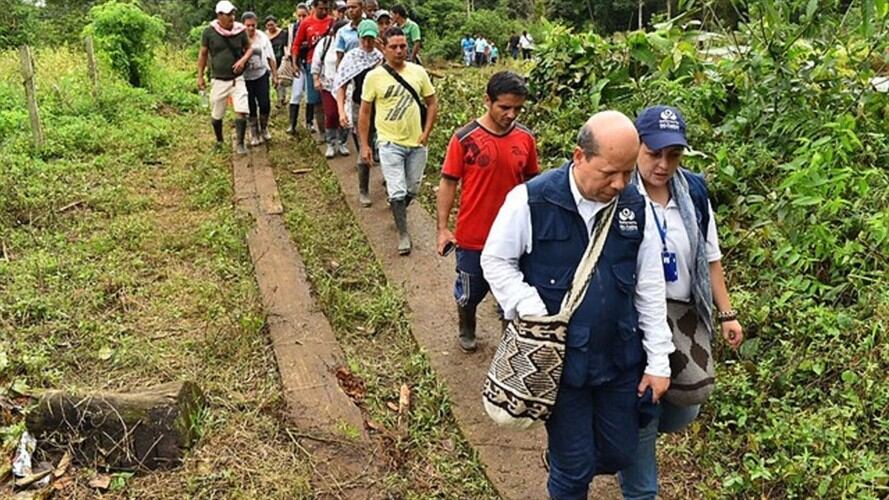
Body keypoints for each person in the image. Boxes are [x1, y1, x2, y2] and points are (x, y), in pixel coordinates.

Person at [481, 111, 674, 499]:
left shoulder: (635, 208)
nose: (619, 184)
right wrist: (530, 306)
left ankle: (566, 458)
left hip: (619, 359)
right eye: (608, 173)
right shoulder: (531, 200)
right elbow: (495, 260)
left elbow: (649, 286)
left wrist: (658, 362)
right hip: (562, 367)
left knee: (619, 450)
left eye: (626, 172)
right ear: (579, 157)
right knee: (574, 471)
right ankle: (566, 466)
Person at [617, 105, 744, 500]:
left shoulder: (693, 192)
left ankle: (619, 444)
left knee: (686, 404)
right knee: (644, 409)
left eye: (672, 155)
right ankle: (641, 489)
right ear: (636, 146)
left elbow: (711, 258)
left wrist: (727, 314)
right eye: (654, 153)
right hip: (633, 320)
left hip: (686, 316)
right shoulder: (619, 191)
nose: (663, 164)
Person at [436, 71, 539, 352]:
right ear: (487, 101)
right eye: (504, 107)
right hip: (474, 236)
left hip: (515, 237)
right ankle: (466, 325)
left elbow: (532, 183)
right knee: (470, 293)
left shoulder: (526, 139)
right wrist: (443, 228)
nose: (511, 114)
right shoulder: (465, 138)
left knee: (512, 296)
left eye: (517, 109)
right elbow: (448, 182)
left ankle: (510, 341)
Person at [359, 27, 438, 255]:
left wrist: (426, 132)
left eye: (403, 46)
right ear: (383, 47)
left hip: (417, 143)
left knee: (413, 187)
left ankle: (399, 211)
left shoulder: (417, 72)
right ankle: (403, 234)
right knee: (397, 190)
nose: (400, 51)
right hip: (388, 142)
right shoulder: (373, 77)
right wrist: (364, 145)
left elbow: (432, 102)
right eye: (393, 46)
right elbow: (365, 113)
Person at [334, 19, 383, 207]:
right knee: (364, 147)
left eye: (371, 39)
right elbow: (341, 85)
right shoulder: (351, 58)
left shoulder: (380, 57)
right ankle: (363, 190)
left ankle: (390, 184)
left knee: (383, 145)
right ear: (359, 37)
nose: (368, 43)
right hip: (358, 106)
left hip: (380, 107)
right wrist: (341, 111)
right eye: (365, 39)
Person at [197, 0, 254, 154]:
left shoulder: (240, 31)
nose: (231, 17)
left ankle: (240, 144)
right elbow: (203, 54)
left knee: (241, 110)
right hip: (218, 79)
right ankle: (219, 140)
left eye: (233, 13)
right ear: (219, 15)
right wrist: (200, 76)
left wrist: (242, 60)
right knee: (217, 114)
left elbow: (249, 49)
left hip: (237, 79)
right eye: (228, 14)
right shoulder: (209, 32)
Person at [292, 0, 334, 135]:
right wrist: (294, 63)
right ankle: (323, 131)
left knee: (331, 97)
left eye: (326, 9)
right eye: (321, 8)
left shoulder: (332, 21)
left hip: (330, 64)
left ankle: (332, 129)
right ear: (314, 8)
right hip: (312, 63)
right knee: (315, 99)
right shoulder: (306, 23)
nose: (324, 12)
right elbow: (296, 44)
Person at [312, 19, 351, 158]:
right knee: (332, 113)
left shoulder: (351, 43)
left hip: (347, 85)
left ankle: (342, 142)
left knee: (346, 114)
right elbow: (316, 61)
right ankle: (330, 143)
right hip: (328, 84)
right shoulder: (325, 43)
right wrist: (316, 78)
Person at [242, 12, 277, 146]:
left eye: (253, 25)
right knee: (250, 106)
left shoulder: (262, 37)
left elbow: (270, 57)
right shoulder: (239, 37)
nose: (251, 28)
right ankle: (254, 132)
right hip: (245, 78)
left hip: (261, 74)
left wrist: (275, 75)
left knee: (264, 104)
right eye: (248, 25)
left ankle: (264, 128)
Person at [286, 4, 310, 133]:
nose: (301, 18)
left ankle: (309, 122)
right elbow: (292, 47)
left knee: (310, 95)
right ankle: (292, 124)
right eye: (299, 15)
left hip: (311, 64)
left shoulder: (312, 25)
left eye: (304, 16)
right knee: (296, 94)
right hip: (299, 64)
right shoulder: (292, 28)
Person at [264, 16, 289, 107]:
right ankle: (281, 98)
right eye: (268, 25)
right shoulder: (264, 35)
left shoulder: (283, 33)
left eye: (272, 25)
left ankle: (281, 99)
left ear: (276, 24)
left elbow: (285, 45)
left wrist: (286, 55)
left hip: (281, 59)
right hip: (269, 60)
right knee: (274, 80)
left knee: (280, 79)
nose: (270, 27)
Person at [335, 0, 363, 65]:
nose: (350, 10)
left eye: (354, 7)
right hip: (350, 68)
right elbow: (339, 57)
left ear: (362, 8)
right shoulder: (342, 31)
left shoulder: (370, 27)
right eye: (348, 8)